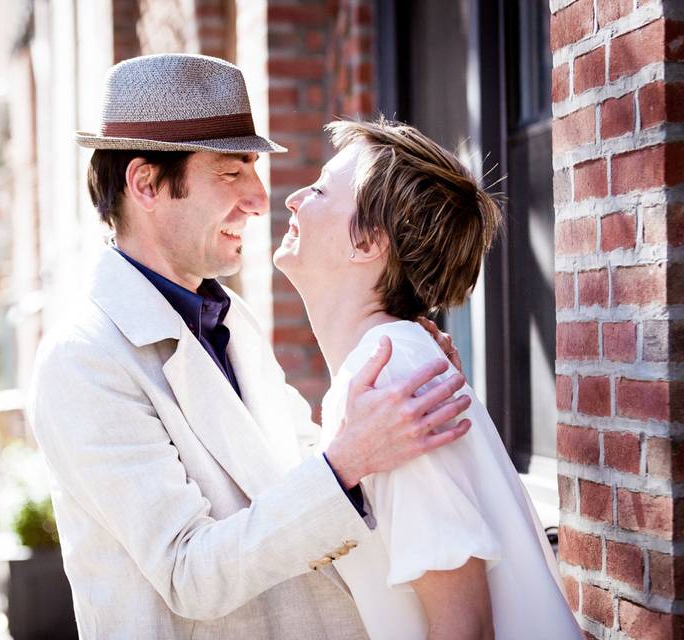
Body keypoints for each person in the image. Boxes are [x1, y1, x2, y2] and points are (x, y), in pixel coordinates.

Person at [29, 53, 472, 639]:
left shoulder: (229, 318)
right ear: (146, 184)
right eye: (231, 172)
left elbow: (297, 463)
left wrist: (405, 413)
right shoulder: (83, 359)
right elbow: (189, 573)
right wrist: (351, 458)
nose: (261, 199)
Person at [274, 117, 582, 639]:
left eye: (321, 189)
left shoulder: (391, 376)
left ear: (368, 241)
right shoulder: (388, 365)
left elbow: (465, 628)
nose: (294, 199)